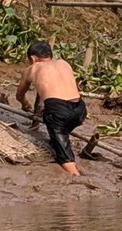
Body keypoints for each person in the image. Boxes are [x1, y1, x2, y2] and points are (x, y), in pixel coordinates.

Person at [16, 41, 87, 176]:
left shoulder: (33, 68)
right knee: (60, 128)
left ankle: (76, 176)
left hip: (58, 111)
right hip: (80, 110)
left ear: (32, 58)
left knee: (64, 156)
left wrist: (25, 104)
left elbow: (19, 95)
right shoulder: (64, 63)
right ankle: (59, 138)